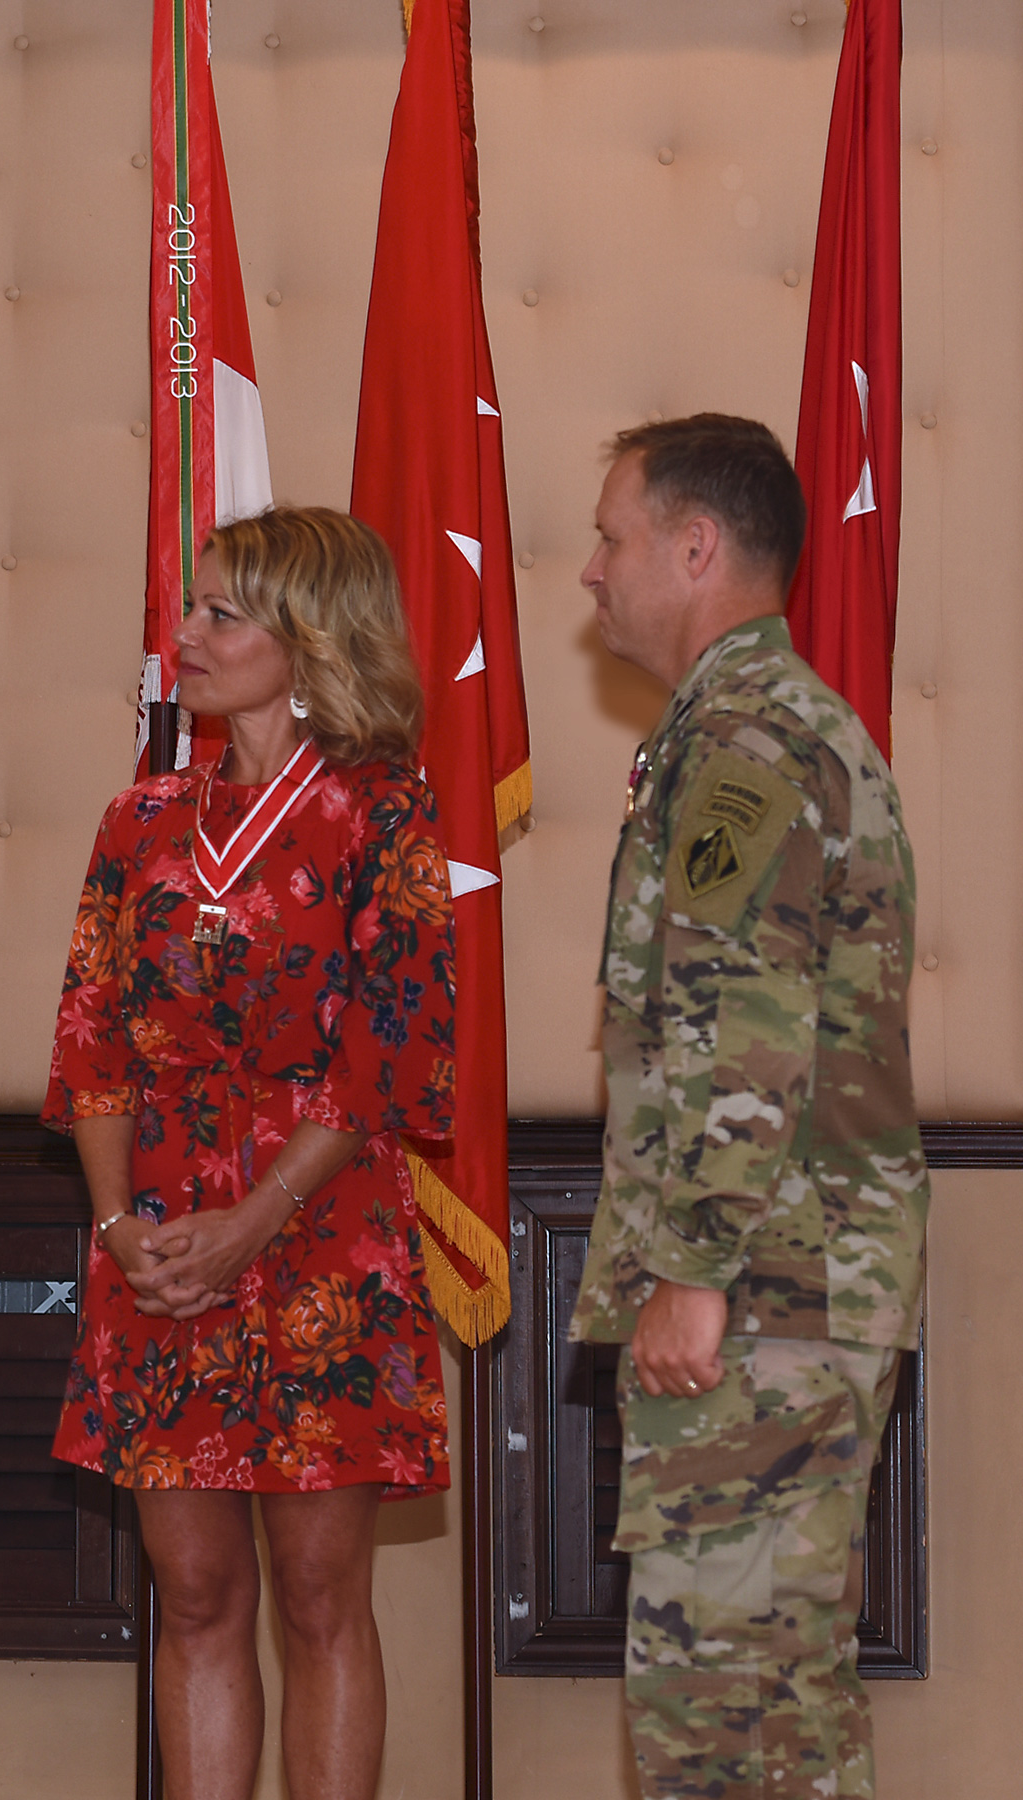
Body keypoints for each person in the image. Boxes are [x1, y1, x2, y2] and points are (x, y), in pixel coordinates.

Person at [46, 506, 458, 1800]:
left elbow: (391, 1053)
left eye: (221, 613)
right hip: (160, 1252)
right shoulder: (138, 822)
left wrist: (254, 1219)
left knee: (321, 1598)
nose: (187, 634)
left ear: (309, 637)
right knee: (195, 1594)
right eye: (194, 607)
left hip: (323, 1237)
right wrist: (121, 1231)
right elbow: (91, 1044)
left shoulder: (385, 812)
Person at [571, 414, 926, 1800]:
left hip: (763, 1291)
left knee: (725, 1725)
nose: (591, 571)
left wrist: (693, 1270)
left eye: (612, 537)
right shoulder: (760, 727)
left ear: (696, 547)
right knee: (780, 1711)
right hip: (796, 1283)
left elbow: (742, 1025)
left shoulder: (746, 742)